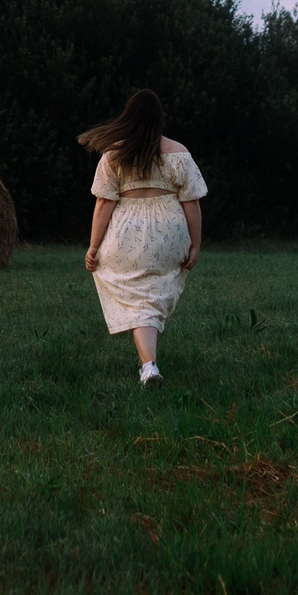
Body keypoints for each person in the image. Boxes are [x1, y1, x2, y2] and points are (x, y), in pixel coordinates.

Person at [79, 89, 206, 384]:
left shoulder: (114, 155)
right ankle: (149, 365)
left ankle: (149, 366)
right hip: (169, 235)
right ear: (159, 118)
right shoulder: (180, 153)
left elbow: (104, 202)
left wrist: (94, 246)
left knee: (138, 300)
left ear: (129, 117)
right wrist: (196, 244)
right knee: (149, 299)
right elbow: (192, 203)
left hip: (127, 235)